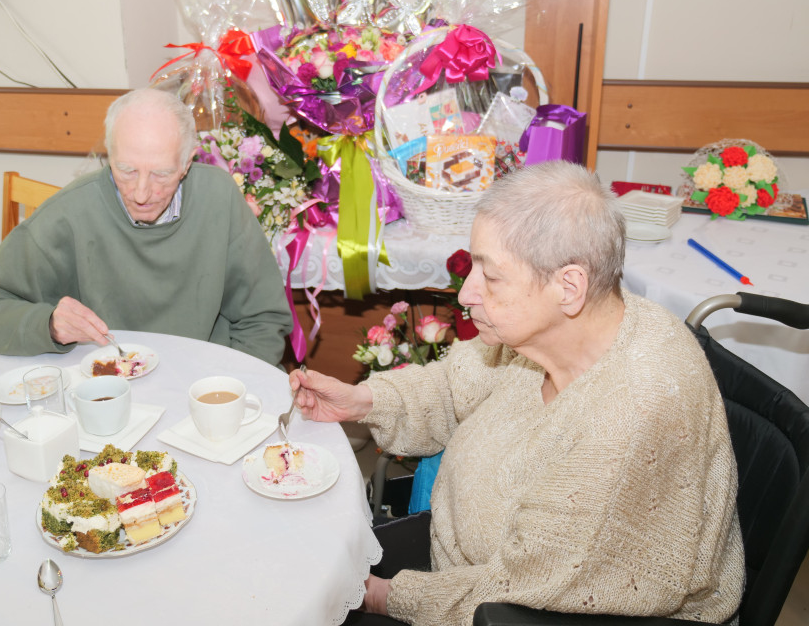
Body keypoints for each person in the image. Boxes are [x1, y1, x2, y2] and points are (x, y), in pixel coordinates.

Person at [292, 160, 744, 625]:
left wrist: (376, 595)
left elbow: (512, 589)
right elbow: (452, 386)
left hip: (513, 609)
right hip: (461, 564)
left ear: (569, 286)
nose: (466, 294)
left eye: (490, 275)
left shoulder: (626, 418)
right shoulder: (564, 330)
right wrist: (360, 401)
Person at [0, 88, 293, 366]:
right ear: (108, 155)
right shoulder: (70, 212)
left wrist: (225, 387)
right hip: (110, 389)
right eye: (126, 169)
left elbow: (263, 318)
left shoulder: (218, 196)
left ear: (188, 162)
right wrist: (49, 325)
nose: (142, 193)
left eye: (161, 173)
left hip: (205, 379)